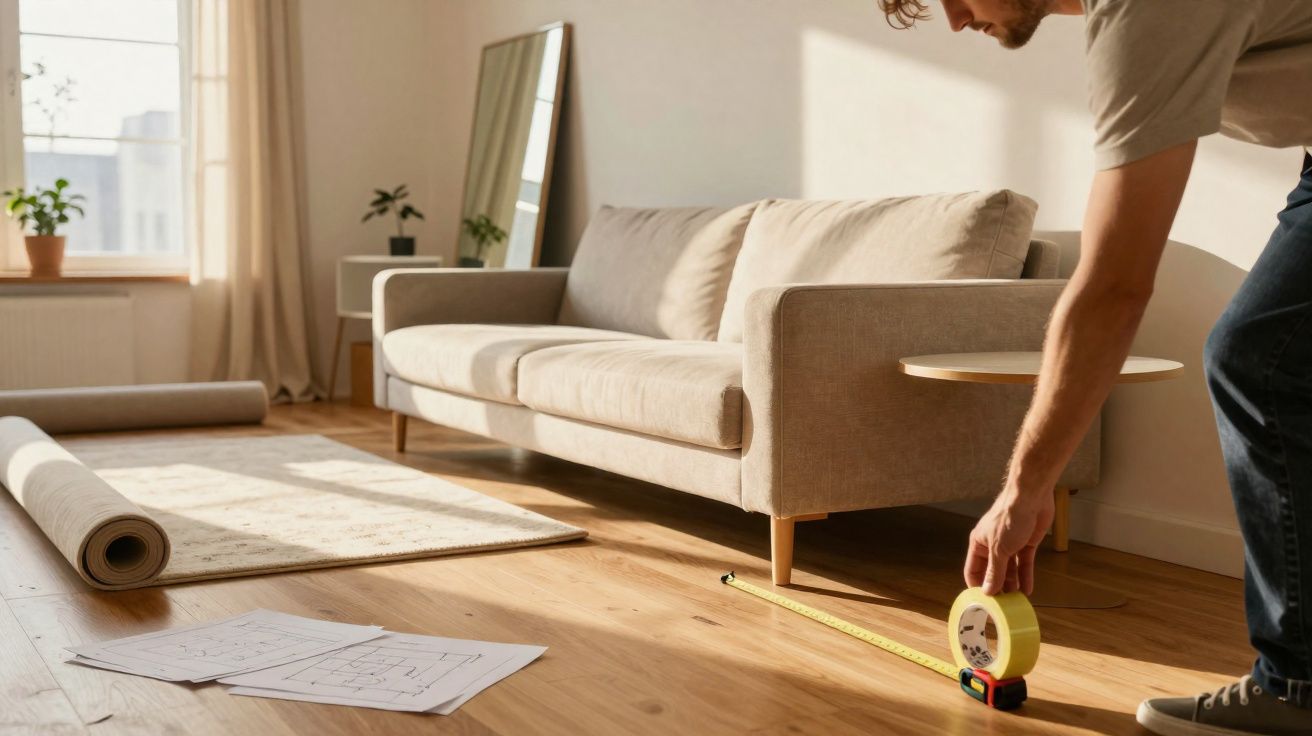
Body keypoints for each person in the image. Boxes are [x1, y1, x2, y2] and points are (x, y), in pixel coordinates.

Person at [876, 1, 1312, 734]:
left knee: (1257, 361)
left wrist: (1024, 489)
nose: (953, 20)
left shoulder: (1143, 13)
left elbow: (1113, 288)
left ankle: (1298, 685)